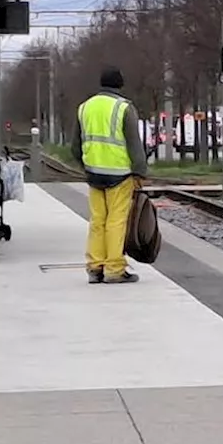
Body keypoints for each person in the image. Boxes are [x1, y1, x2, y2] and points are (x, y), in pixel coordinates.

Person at [71, 67, 149, 283]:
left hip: (94, 174)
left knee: (97, 220)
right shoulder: (124, 108)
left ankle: (94, 268)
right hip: (119, 175)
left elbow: (75, 147)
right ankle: (114, 269)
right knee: (116, 221)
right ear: (120, 85)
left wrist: (86, 165)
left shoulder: (84, 108)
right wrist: (140, 171)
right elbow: (134, 144)